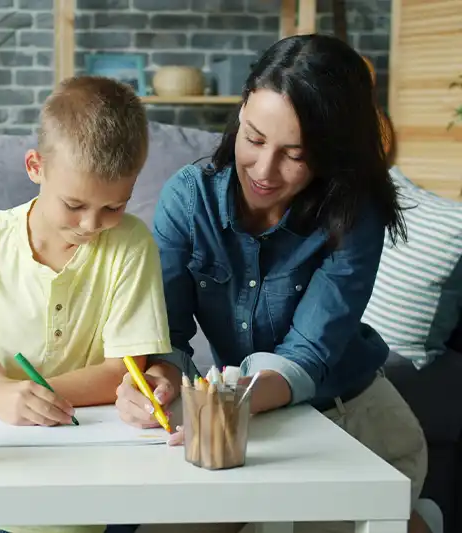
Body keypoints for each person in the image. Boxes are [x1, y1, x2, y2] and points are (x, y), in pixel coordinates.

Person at [115, 34, 431, 533]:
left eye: (295, 154)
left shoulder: (353, 212)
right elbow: (166, 336)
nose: (263, 171)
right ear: (241, 112)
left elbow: (304, 356)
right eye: (255, 139)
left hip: (351, 419)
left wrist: (220, 403)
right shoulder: (189, 197)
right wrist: (161, 379)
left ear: (331, 152)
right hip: (246, 416)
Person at [0, 75, 172, 533]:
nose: (92, 224)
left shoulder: (131, 245)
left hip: (91, 479)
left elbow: (121, 372)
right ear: (36, 166)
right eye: (73, 204)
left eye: (114, 207)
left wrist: (19, 393)